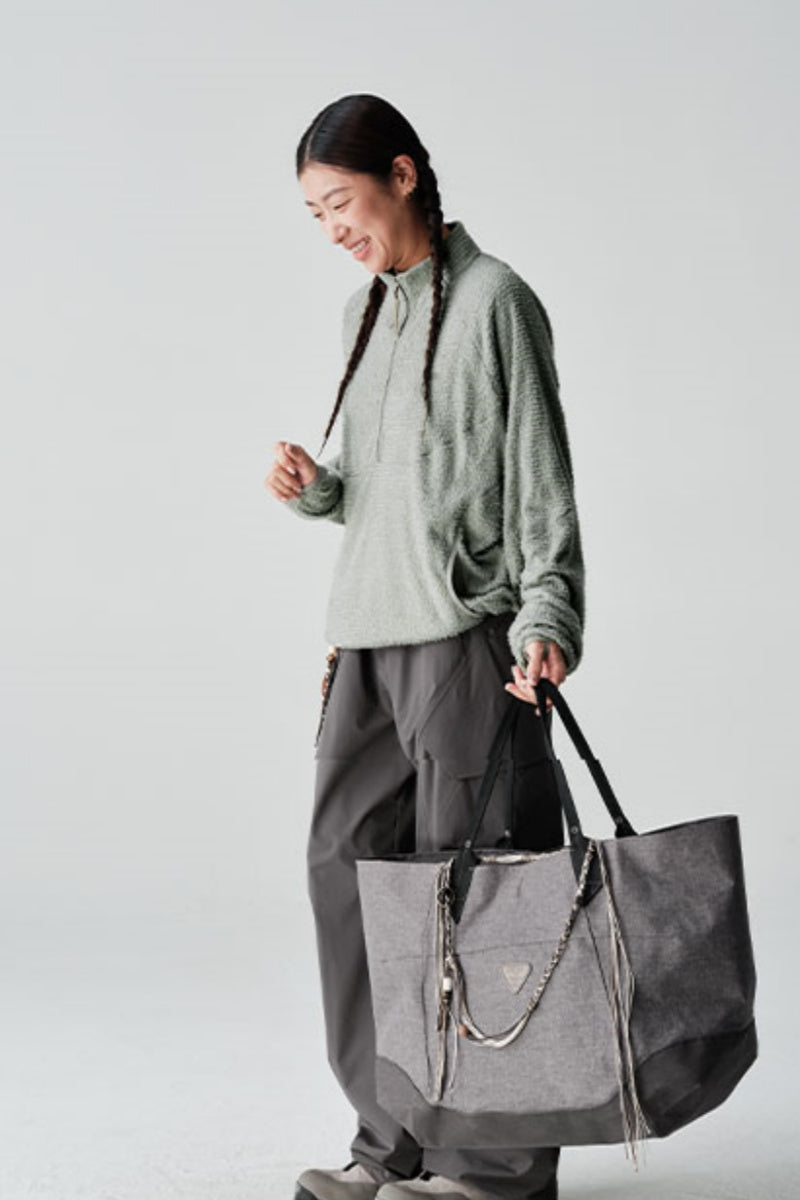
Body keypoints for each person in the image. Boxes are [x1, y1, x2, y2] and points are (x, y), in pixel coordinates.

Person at [264, 94, 585, 1200]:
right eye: (314, 214)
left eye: (340, 202)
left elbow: (540, 482)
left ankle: (490, 1168)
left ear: (402, 175)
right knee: (347, 883)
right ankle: (393, 1136)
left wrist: (547, 617)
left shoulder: (497, 301)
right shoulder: (364, 315)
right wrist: (321, 491)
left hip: (464, 646)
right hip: (363, 646)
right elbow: (387, 489)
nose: (332, 229)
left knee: (481, 901)